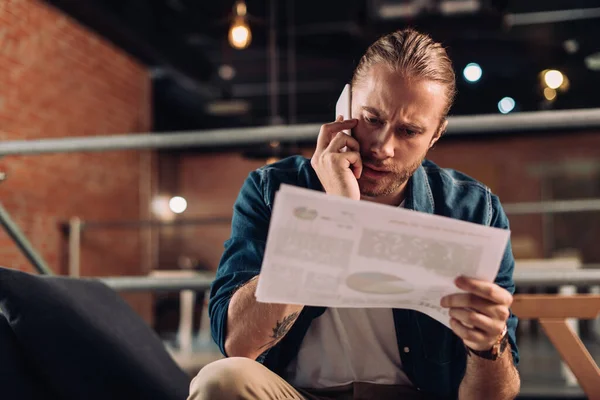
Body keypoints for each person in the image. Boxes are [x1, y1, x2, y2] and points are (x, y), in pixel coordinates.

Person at [188, 28, 520, 400]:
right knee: (221, 380)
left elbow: (495, 397)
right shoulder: (272, 188)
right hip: (299, 393)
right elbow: (238, 344)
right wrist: (334, 214)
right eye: (372, 119)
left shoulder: (474, 210)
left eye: (409, 131)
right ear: (345, 107)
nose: (383, 147)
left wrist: (490, 345)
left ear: (436, 134)